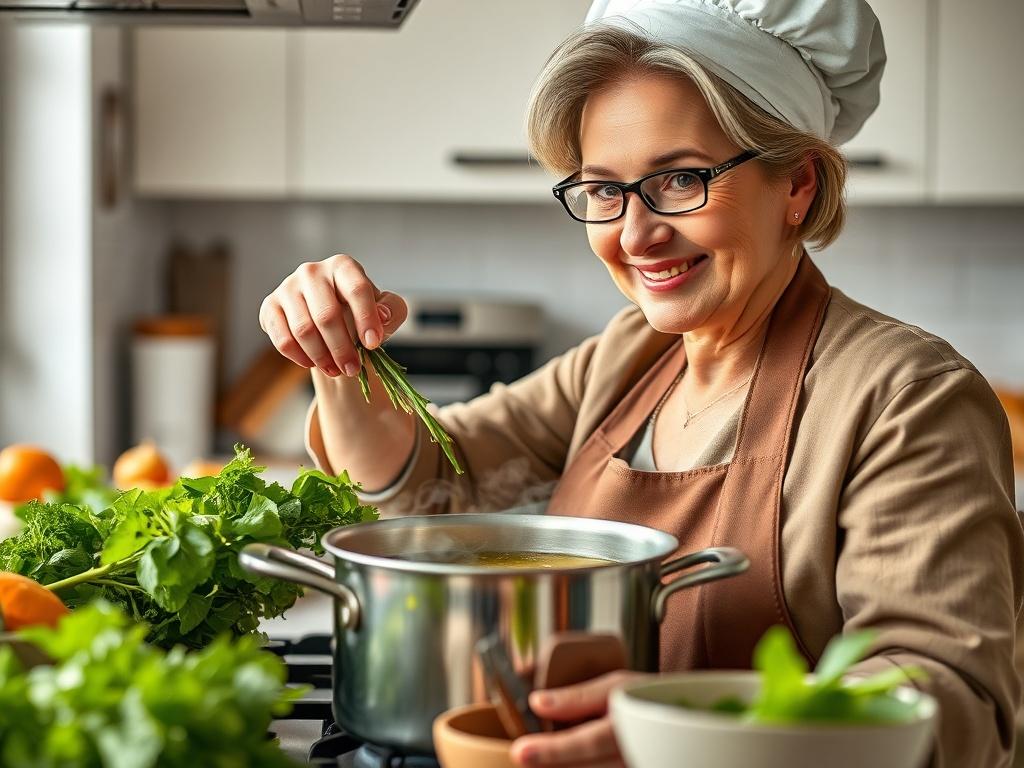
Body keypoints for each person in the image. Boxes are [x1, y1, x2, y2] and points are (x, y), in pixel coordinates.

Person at [258, 1, 1023, 765]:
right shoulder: (629, 357)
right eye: (602, 190)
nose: (633, 234)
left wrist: (684, 736)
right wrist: (340, 357)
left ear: (797, 183)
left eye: (681, 179)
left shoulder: (905, 396)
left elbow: (953, 705)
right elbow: (437, 482)